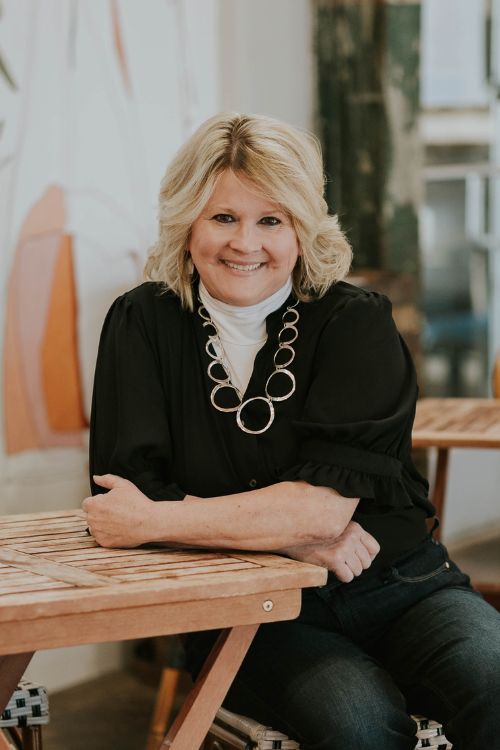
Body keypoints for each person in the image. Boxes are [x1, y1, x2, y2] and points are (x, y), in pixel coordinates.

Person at [83, 112, 500, 750]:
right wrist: (291, 543)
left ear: (303, 230)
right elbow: (123, 503)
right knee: (359, 727)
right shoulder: (141, 322)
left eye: (270, 220)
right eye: (224, 217)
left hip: (400, 585)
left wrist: (169, 519)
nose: (244, 243)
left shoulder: (356, 321)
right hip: (254, 613)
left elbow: (316, 514)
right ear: (187, 223)